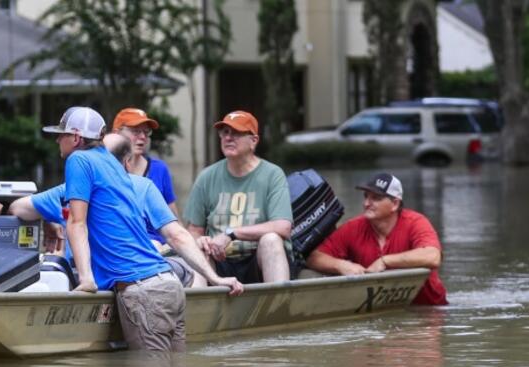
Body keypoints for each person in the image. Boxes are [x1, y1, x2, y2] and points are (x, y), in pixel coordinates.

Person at [39, 106, 194, 351]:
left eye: (62, 134)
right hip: (168, 283)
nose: (58, 139)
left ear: (77, 137)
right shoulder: (114, 165)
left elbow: (77, 223)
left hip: (142, 292)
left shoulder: (79, 159)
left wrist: (87, 280)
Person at [9, 133, 244, 293]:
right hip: (126, 278)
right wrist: (215, 278)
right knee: (190, 266)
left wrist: (46, 216)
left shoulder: (70, 189)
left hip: (92, 277)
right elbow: (178, 236)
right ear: (126, 162)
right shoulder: (142, 187)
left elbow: (17, 208)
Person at [183, 110, 293, 284]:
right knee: (197, 248)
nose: (228, 138)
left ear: (253, 141)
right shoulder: (206, 177)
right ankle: (199, 308)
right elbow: (193, 230)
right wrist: (202, 240)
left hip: (256, 260)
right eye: (225, 132)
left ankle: (277, 307)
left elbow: (283, 227)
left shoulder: (273, 174)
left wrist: (232, 234)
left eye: (236, 133)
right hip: (219, 262)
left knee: (271, 239)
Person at [306, 173, 447, 305]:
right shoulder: (353, 227)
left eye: (376, 198)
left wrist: (385, 261)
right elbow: (314, 257)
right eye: (366, 196)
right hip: (381, 309)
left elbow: (433, 256)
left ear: (395, 204)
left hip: (429, 309)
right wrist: (342, 265)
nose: (366, 203)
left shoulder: (415, 222)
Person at [112, 108, 179, 245]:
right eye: (136, 131)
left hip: (159, 248)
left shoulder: (159, 169)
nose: (142, 137)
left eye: (146, 132)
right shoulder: (105, 170)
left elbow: (174, 221)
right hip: (121, 247)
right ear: (116, 133)